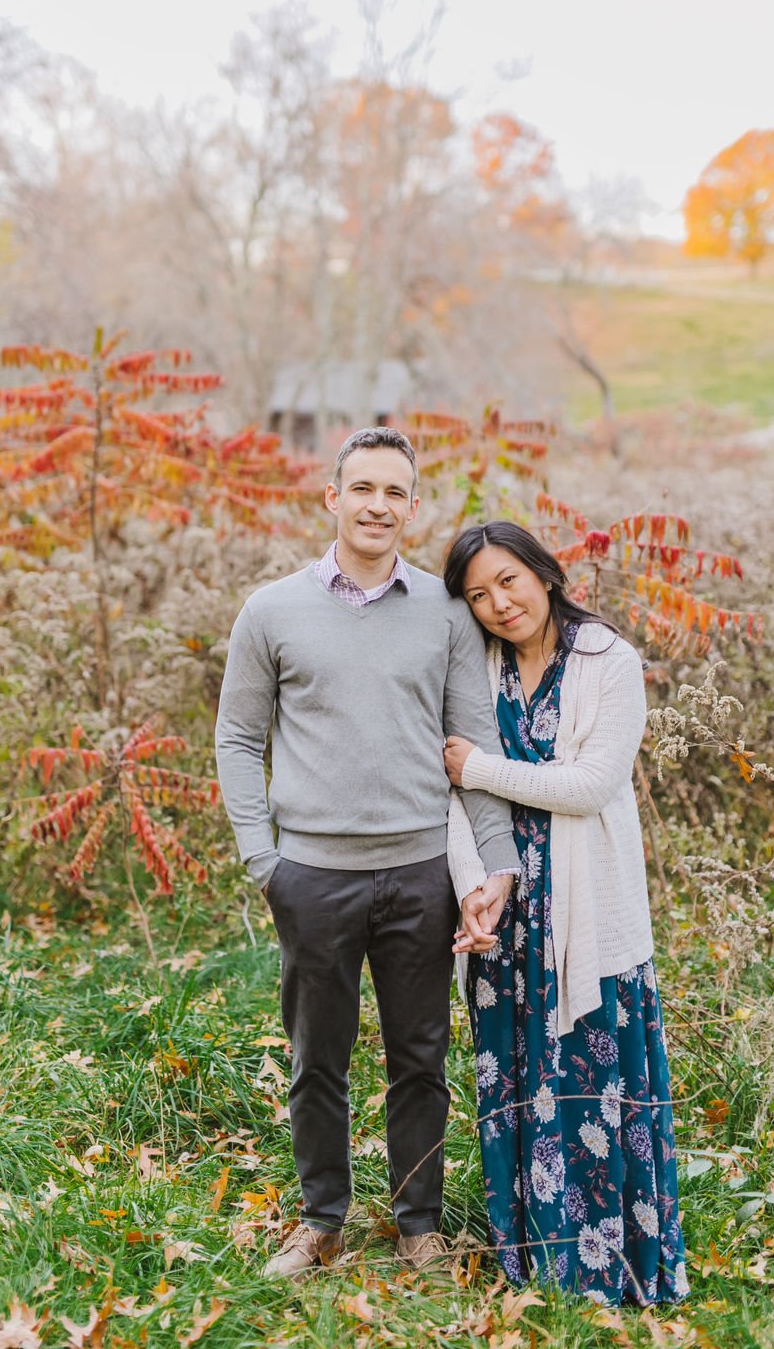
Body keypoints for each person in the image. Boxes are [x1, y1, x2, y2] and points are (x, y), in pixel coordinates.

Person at [214, 428, 519, 1282]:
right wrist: (262, 860)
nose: (378, 506)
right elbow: (238, 737)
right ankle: (322, 1221)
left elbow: (472, 744)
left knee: (420, 1057)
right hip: (311, 876)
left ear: (412, 508)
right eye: (362, 489)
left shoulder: (446, 615)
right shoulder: (271, 611)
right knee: (318, 1058)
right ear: (332, 499)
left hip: (422, 873)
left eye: (395, 492)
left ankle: (419, 1224)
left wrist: (492, 868)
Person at [441, 521, 689, 1306]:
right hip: (506, 910)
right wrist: (474, 886)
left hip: (588, 913)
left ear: (545, 573)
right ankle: (532, 1261)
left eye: (508, 581)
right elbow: (454, 798)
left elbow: (589, 784)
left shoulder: (608, 662)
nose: (498, 604)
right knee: (514, 1080)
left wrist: (481, 765)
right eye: (478, 595)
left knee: (592, 1079)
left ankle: (613, 1270)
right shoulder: (476, 668)